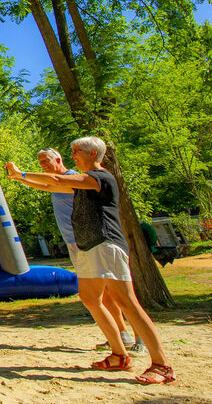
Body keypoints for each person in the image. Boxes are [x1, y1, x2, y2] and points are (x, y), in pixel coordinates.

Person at [6, 136, 175, 385]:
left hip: (106, 244)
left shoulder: (100, 178)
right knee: (89, 298)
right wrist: (20, 178)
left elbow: (55, 179)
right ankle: (119, 355)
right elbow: (50, 187)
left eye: (77, 152)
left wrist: (23, 172)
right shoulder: (82, 182)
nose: (73, 156)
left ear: (93, 154)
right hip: (88, 246)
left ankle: (161, 364)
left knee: (126, 302)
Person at [36, 148, 146, 356]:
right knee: (100, 294)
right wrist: (17, 177)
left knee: (119, 292)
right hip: (76, 242)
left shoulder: (73, 178)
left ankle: (141, 339)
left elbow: (52, 182)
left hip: (96, 240)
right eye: (40, 162)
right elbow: (43, 185)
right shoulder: (58, 181)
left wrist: (22, 175)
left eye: (46, 160)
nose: (43, 165)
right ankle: (121, 335)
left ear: (58, 159)